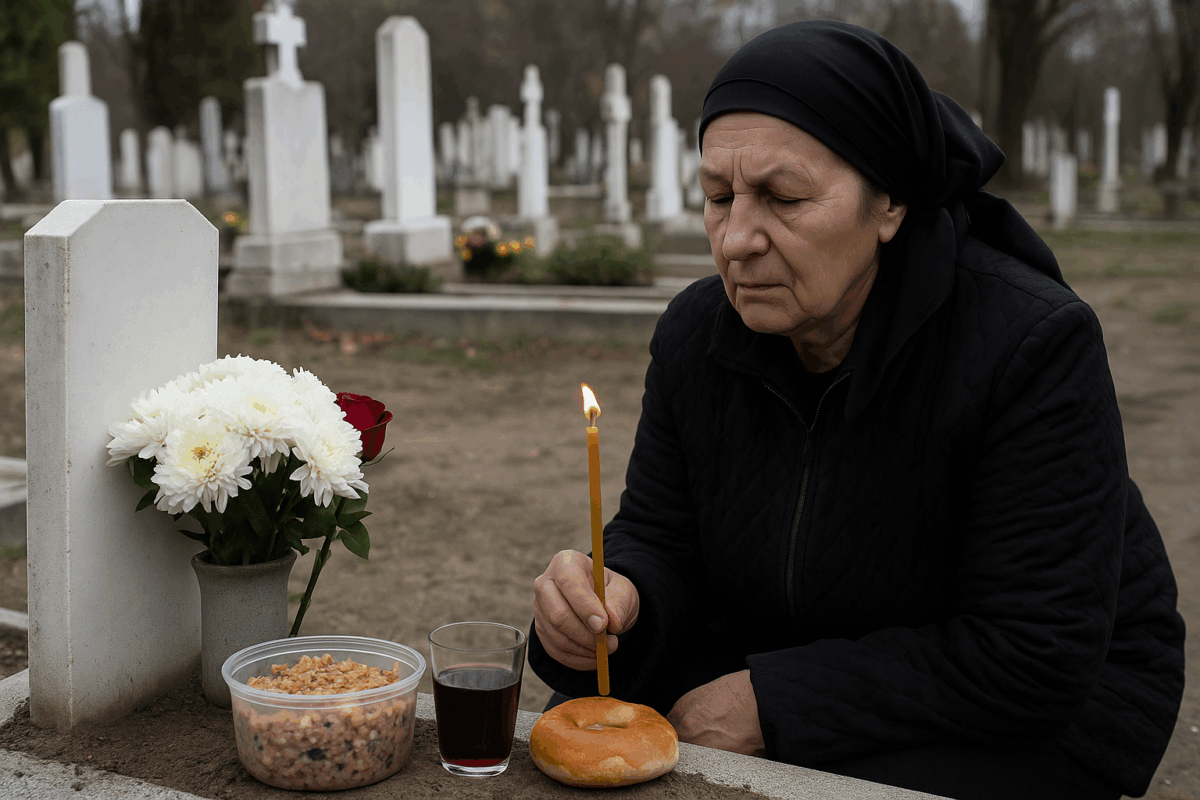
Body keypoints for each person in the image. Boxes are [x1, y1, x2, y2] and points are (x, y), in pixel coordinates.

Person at [527, 19, 1186, 800]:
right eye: (717, 196)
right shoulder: (696, 334)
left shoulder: (1030, 346)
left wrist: (774, 701)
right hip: (776, 639)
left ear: (890, 205)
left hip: (1030, 703)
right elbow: (662, 534)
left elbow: (1030, 653)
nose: (737, 238)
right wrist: (621, 596)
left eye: (783, 197)